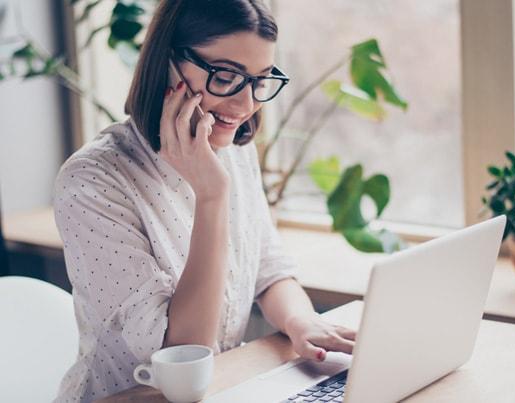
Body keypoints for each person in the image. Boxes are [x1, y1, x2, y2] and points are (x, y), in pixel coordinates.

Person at [53, 1, 356, 401]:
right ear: (168, 63)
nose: (245, 105)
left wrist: (301, 321)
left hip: (220, 391)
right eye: (226, 76)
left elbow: (268, 269)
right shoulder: (92, 181)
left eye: (260, 80)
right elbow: (182, 354)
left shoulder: (231, 146)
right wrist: (212, 197)